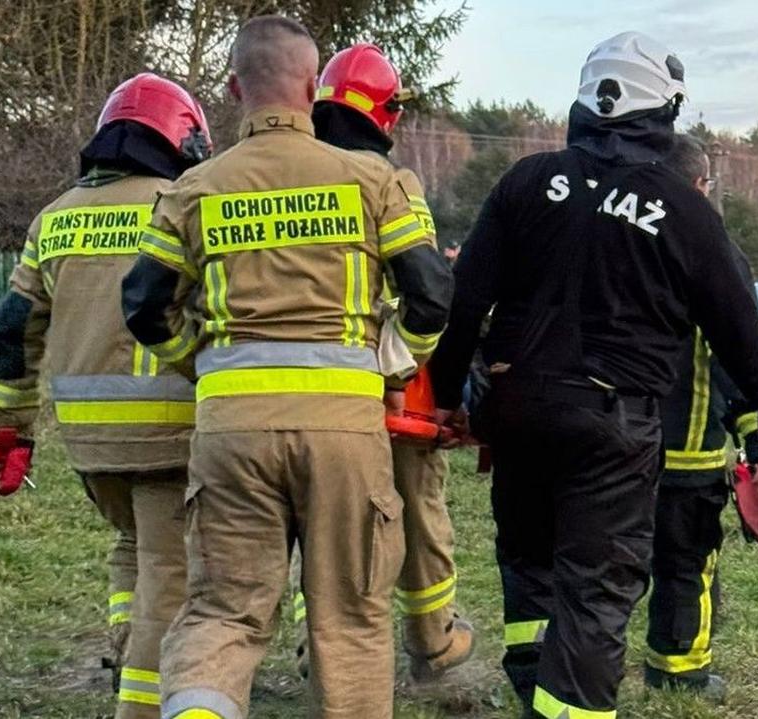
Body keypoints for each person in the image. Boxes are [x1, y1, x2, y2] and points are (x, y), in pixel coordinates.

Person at [426, 32, 758, 719]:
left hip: (517, 408)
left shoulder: (525, 182)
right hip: (611, 423)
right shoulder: (681, 207)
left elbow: (462, 302)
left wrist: (448, 397)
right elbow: (736, 325)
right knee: (597, 592)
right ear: (662, 113)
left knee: (532, 561)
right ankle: (564, 705)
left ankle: (534, 678)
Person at [120, 16, 452, 719]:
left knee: (223, 613)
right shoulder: (372, 179)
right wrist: (390, 359)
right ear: (312, 85)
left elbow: (145, 306)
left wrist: (203, 365)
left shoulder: (192, 189)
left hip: (231, 429)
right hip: (345, 433)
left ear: (236, 86)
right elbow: (430, 292)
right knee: (350, 620)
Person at [0, 73, 211, 719]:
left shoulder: (54, 216)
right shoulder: (181, 202)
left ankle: (124, 644)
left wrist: (11, 427)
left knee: (131, 546)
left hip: (90, 443)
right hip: (171, 431)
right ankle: (140, 703)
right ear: (182, 136)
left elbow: (10, 330)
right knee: (170, 579)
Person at [312, 42, 474, 681]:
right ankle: (433, 642)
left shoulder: (287, 174)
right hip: (387, 391)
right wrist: (402, 363)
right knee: (416, 511)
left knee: (322, 527)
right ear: (383, 115)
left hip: (308, 392)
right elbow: (429, 290)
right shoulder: (389, 183)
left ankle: (315, 651)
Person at [642, 134, 758, 698]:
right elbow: (739, 353)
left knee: (596, 566)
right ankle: (679, 674)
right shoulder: (715, 250)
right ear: (700, 186)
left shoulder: (614, 238)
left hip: (608, 442)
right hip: (686, 448)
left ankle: (563, 669)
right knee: (687, 562)